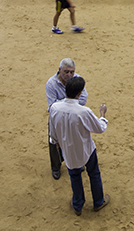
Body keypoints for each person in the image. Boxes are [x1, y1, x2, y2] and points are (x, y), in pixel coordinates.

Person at [49, 76, 110, 216]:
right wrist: (102, 114)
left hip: (68, 151)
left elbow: (52, 130)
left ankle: (77, 205)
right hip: (85, 150)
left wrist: (56, 142)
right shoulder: (83, 111)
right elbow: (100, 128)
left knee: (74, 176)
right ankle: (98, 202)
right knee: (94, 174)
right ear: (80, 93)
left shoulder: (55, 108)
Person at [45, 58, 88, 180]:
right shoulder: (51, 84)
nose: (69, 75)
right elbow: (52, 106)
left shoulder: (77, 79)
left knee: (76, 141)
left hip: (73, 118)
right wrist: (70, 102)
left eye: (72, 72)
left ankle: (78, 164)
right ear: (59, 70)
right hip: (57, 119)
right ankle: (56, 167)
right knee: (54, 142)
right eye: (66, 72)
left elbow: (84, 98)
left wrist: (64, 104)